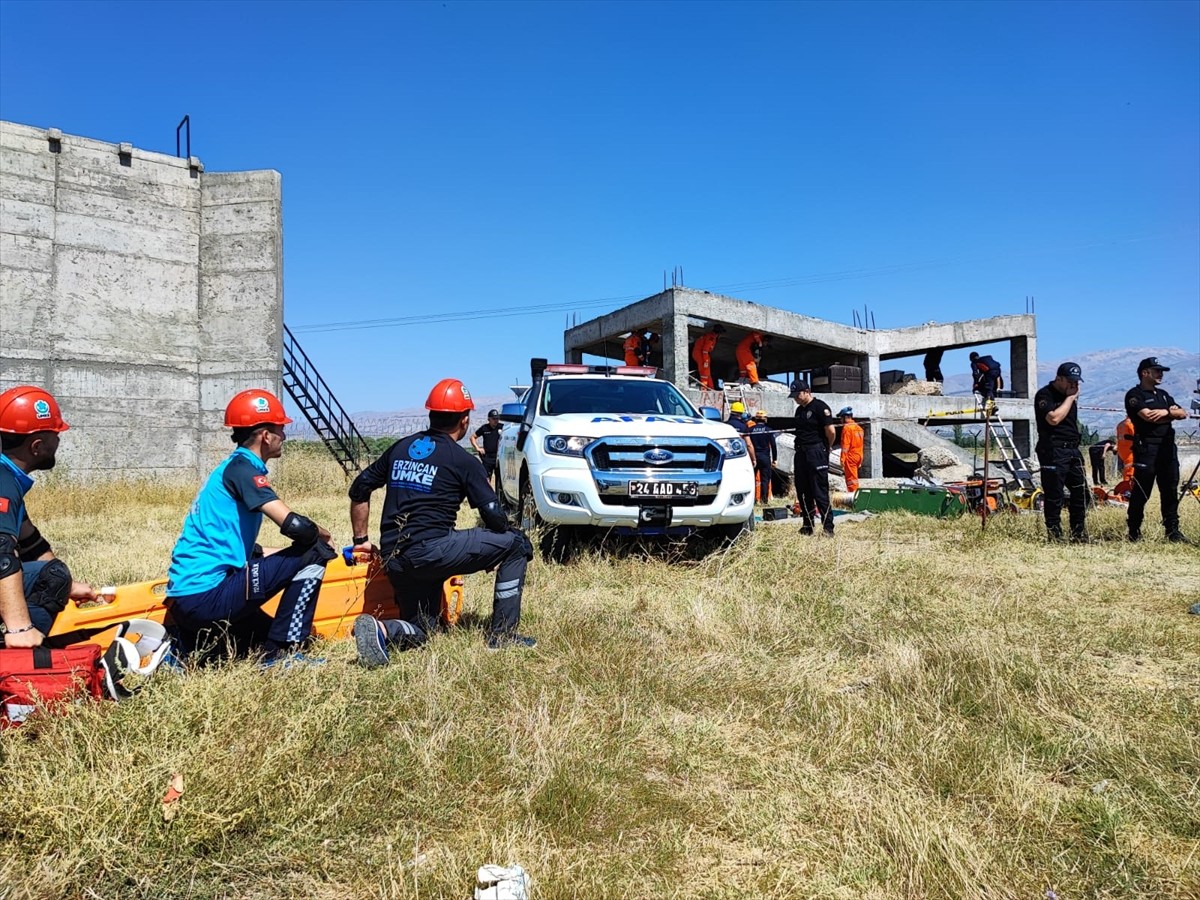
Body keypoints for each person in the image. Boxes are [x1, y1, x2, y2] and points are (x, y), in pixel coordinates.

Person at [348, 377, 535, 664]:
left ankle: (382, 631)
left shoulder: (400, 448)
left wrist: (361, 541)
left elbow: (359, 488)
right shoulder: (462, 460)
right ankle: (503, 637)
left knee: (425, 631)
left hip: (395, 559)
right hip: (433, 552)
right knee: (516, 545)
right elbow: (494, 515)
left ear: (431, 414)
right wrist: (502, 541)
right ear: (464, 420)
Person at [165, 389, 336, 663]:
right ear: (266, 436)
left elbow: (241, 548)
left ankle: (184, 645)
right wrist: (324, 535)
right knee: (315, 549)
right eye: (281, 429)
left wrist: (280, 558)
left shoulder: (228, 469)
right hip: (207, 596)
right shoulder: (243, 470)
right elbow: (297, 527)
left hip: (188, 600)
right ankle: (283, 655)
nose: (285, 436)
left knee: (259, 636)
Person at [0, 386, 95, 649]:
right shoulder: (3, 484)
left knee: (55, 575)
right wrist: (20, 627)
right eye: (56, 435)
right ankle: (22, 654)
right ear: (37, 446)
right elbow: (1, 552)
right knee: (50, 577)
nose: (59, 441)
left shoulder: (8, 479)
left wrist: (68, 585)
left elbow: (31, 543)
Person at [1124, 357, 1190, 543]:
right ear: (1145, 373)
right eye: (1157, 371)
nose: (1161, 374)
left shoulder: (1163, 395)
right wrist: (1170, 413)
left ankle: (1172, 532)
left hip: (1167, 448)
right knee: (1142, 491)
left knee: (1170, 489)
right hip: (1147, 448)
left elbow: (1183, 413)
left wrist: (1166, 413)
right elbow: (1148, 417)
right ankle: (1134, 531)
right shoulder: (1134, 395)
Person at [1033, 362, 1089, 542]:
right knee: (1054, 494)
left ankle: (1078, 533)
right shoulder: (1045, 395)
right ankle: (1055, 534)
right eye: (1070, 382)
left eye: (1076, 383)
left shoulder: (1068, 396)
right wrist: (1071, 399)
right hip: (1053, 449)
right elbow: (1054, 418)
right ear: (1059, 379)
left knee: (1082, 494)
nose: (1074, 386)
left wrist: (1070, 398)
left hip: (1072, 449)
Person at [789, 381, 836, 535]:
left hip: (816, 451)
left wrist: (825, 448)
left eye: (798, 395)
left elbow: (831, 431)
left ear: (807, 391)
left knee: (819, 491)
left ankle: (828, 527)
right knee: (803, 490)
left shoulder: (820, 407)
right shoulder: (798, 411)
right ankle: (808, 525)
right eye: (794, 396)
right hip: (801, 453)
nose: (796, 398)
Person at [470, 409, 504, 493]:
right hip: (487, 458)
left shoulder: (502, 427)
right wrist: (478, 448)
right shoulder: (484, 428)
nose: (496, 420)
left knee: (500, 479)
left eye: (497, 418)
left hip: (499, 457)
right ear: (489, 419)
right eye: (494, 419)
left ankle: (499, 498)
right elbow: (472, 437)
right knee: (486, 478)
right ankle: (488, 495)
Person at [749, 410, 777, 502]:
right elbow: (773, 445)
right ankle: (764, 500)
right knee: (765, 479)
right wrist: (775, 459)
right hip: (765, 457)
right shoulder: (769, 430)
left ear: (756, 419)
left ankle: (752, 500)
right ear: (765, 419)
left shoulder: (750, 430)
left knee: (752, 479)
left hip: (753, 457)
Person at [837, 407, 864, 493]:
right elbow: (861, 445)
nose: (840, 420)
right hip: (858, 456)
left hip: (851, 457)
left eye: (841, 418)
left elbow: (845, 446)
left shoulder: (847, 428)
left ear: (845, 417)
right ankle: (855, 495)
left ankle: (854, 498)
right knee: (854, 478)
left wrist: (842, 459)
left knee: (851, 480)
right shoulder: (859, 428)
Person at [692, 323, 724, 389]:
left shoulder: (709, 336)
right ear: (719, 333)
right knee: (704, 374)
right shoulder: (711, 338)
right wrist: (706, 361)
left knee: (707, 373)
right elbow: (705, 350)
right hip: (701, 355)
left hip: (700, 354)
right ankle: (704, 390)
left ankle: (711, 389)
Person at [726, 401, 757, 468]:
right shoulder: (743, 426)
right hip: (739, 456)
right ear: (741, 413)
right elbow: (749, 444)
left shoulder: (725, 425)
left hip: (726, 456)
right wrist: (753, 459)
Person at [1115, 415, 1135, 485]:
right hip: (1130, 450)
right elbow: (1135, 435)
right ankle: (1127, 487)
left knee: (1127, 467)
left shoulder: (1120, 424)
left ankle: (1126, 485)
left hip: (1122, 450)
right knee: (1130, 469)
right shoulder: (1130, 424)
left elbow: (1118, 437)